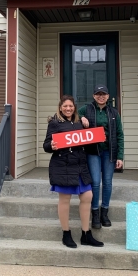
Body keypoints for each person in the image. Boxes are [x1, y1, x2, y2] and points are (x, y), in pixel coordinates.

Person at [43, 95, 104, 249]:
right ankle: (66, 233)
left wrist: (87, 125)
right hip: (63, 166)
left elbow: (88, 138)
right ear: (60, 107)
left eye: (71, 106)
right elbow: (46, 145)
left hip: (80, 166)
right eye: (65, 106)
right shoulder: (55, 123)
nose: (68, 109)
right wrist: (51, 146)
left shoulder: (79, 122)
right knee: (65, 199)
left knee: (87, 196)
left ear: (74, 107)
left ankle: (86, 234)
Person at [78, 85, 124, 229]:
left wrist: (120, 156)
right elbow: (73, 114)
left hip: (109, 152)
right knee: (96, 182)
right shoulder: (87, 109)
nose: (101, 96)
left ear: (108, 96)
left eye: (103, 94)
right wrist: (82, 118)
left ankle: (105, 212)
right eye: (98, 94)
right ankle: (95, 213)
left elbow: (120, 135)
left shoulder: (114, 112)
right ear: (94, 96)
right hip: (93, 151)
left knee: (108, 182)